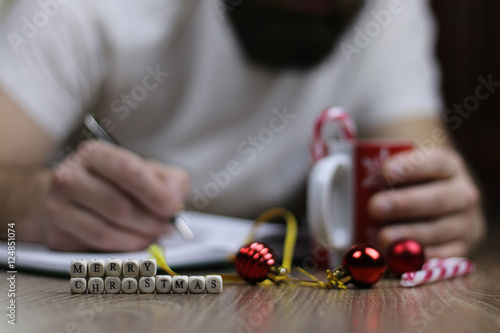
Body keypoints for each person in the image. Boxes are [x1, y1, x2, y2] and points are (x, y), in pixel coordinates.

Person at [0, 0, 485, 257]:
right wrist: (34, 204)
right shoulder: (89, 8)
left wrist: (438, 208)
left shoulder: (388, 10)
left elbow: (420, 163)